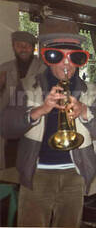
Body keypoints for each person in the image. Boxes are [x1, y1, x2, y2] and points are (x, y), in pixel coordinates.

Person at [0, 30, 96, 227]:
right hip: (36, 175)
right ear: (48, 59)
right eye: (58, 56)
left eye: (73, 58)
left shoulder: (91, 90)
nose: (66, 64)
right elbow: (6, 127)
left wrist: (84, 111)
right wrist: (40, 110)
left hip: (75, 175)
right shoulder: (27, 86)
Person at [0, 31, 46, 169]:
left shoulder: (43, 69)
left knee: (32, 167)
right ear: (14, 47)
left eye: (27, 46)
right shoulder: (4, 69)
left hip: (33, 124)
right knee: (9, 165)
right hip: (10, 126)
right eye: (19, 45)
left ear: (33, 48)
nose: (23, 49)